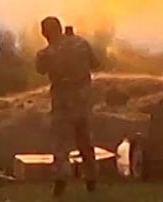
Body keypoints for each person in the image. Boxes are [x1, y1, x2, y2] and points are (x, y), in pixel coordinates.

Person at [35, 17, 101, 197]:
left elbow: (40, 69)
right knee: (85, 142)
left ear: (46, 32)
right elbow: (96, 63)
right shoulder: (81, 43)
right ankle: (91, 179)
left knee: (61, 144)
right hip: (82, 99)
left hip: (63, 102)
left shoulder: (46, 53)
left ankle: (61, 181)